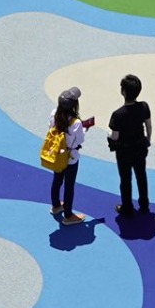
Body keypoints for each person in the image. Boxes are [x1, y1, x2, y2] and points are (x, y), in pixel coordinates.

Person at [107, 74, 152, 216]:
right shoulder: (144, 106)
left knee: (125, 179)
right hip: (140, 147)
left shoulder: (118, 114)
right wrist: (148, 140)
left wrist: (109, 136)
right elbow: (148, 126)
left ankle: (127, 207)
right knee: (141, 175)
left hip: (124, 151)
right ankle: (144, 203)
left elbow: (115, 136)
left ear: (123, 92)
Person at [48, 86, 90, 223]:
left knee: (57, 180)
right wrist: (84, 129)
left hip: (57, 154)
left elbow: (51, 129)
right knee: (69, 186)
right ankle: (68, 215)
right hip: (70, 158)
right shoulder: (76, 123)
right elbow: (80, 140)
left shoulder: (54, 113)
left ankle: (56, 205)